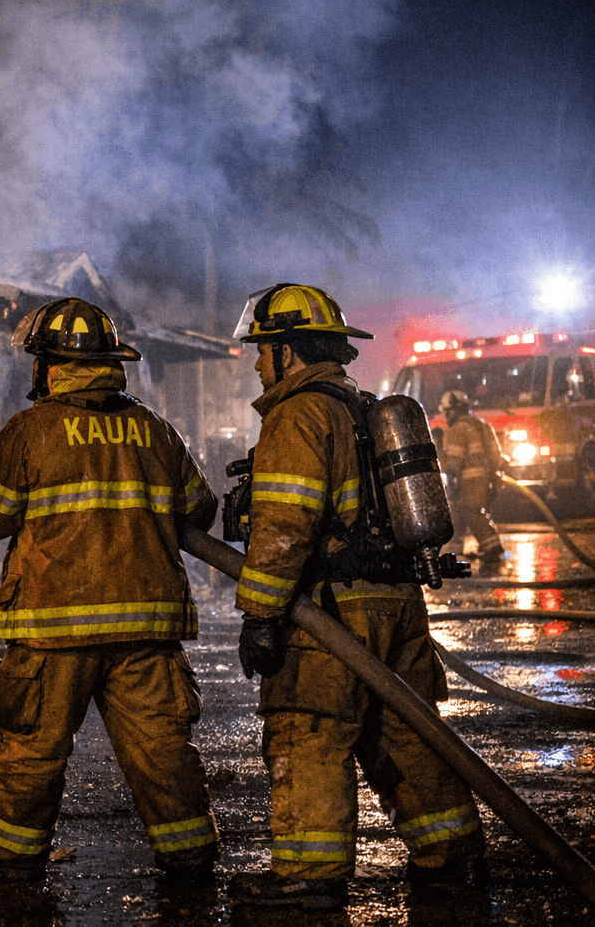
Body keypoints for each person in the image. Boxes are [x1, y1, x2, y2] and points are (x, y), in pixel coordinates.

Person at [0, 297, 221, 883]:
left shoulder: (29, 430)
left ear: (48, 366)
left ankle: (7, 861)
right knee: (162, 750)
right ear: (110, 361)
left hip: (53, 629)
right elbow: (200, 511)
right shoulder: (153, 430)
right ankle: (190, 859)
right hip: (146, 629)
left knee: (31, 747)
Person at [226, 284, 486, 910]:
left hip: (332, 611)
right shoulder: (363, 407)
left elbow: (286, 526)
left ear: (288, 353)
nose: (259, 365)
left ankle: (308, 875)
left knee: (308, 731)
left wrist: (261, 616)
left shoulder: (298, 414)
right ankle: (449, 853)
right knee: (407, 732)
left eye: (264, 352)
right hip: (397, 602)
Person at [437, 389, 504, 569]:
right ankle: (453, 550)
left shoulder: (456, 429)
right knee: (462, 512)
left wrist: (449, 478)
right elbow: (497, 455)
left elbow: (454, 460)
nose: (445, 416)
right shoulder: (483, 425)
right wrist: (491, 476)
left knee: (471, 511)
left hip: (468, 480)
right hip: (488, 479)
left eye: (446, 412)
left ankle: (492, 548)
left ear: (451, 411)